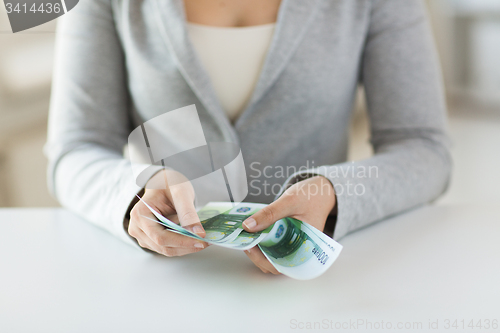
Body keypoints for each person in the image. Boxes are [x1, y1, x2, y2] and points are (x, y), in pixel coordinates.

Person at [46, 0, 451, 274]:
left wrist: (334, 193)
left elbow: (423, 148)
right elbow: (77, 146)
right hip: (166, 277)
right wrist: (133, 194)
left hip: (319, 280)